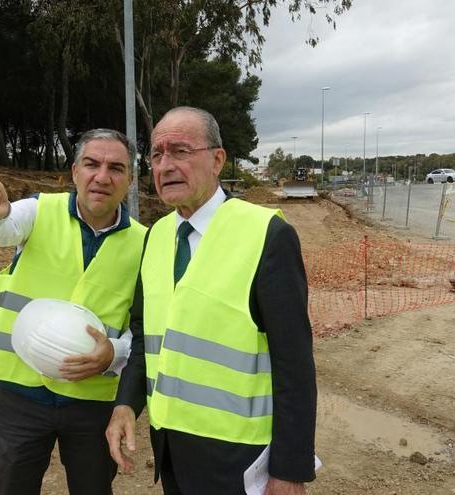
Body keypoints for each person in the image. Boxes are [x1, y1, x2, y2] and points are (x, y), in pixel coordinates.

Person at [106, 107, 317, 495]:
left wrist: (290, 468)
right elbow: (144, 337)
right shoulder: (156, 237)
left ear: (217, 159)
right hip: (170, 448)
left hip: (239, 459)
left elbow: (295, 364)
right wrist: (125, 404)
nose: (165, 165)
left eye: (180, 151)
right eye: (156, 155)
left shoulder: (267, 235)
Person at [0, 128, 147, 495]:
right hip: (21, 395)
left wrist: (114, 353)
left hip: (93, 402)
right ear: (75, 171)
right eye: (91, 164)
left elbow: (144, 327)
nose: (102, 177)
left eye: (116, 168)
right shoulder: (37, 210)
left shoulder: (145, 242)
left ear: (130, 181)